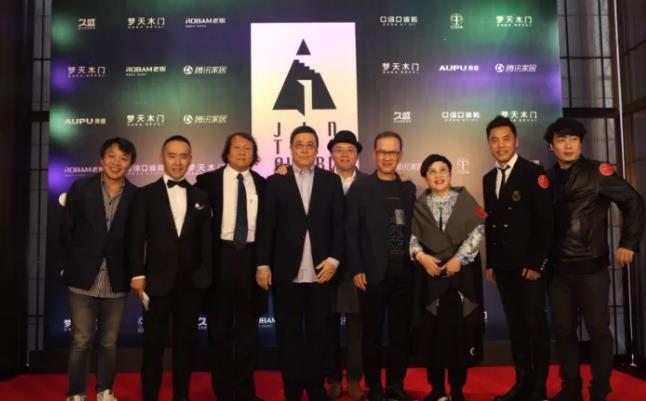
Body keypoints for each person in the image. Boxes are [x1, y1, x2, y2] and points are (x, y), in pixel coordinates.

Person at [544, 117, 645, 401]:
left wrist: (628, 243)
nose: (568, 145)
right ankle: (571, 389)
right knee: (564, 332)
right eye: (562, 140)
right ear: (552, 146)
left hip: (592, 269)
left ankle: (599, 390)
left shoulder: (598, 172)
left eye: (574, 139)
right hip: (558, 272)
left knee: (598, 331)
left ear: (581, 143)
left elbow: (633, 201)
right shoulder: (547, 179)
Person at [255, 125, 345, 401]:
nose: (304, 149)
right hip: (286, 274)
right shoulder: (275, 182)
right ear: (291, 148)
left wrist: (334, 259)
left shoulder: (331, 181)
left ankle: (316, 388)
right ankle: (292, 390)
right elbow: (266, 227)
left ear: (317, 149)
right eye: (299, 144)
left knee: (319, 335)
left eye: (310, 145)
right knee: (288, 336)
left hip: (322, 273)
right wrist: (263, 264)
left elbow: (339, 225)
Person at [128, 135, 212, 401]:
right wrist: (138, 274)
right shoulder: (145, 195)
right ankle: (149, 396)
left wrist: (204, 275)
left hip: (191, 284)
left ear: (190, 160)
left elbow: (206, 241)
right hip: (156, 282)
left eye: (183, 156)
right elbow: (136, 238)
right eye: (172, 155)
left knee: (185, 346)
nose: (177, 162)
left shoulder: (201, 196)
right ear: (162, 158)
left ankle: (182, 396)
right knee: (152, 345)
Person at [60, 137, 137, 401]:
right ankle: (76, 393)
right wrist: (73, 263)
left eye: (124, 158)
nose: (117, 162)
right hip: (82, 279)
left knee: (108, 343)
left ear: (130, 164)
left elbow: (137, 240)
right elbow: (66, 231)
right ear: (102, 158)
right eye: (112, 156)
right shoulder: (81, 189)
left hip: (117, 279)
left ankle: (105, 390)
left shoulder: (136, 196)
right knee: (81, 341)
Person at [482, 116, 553, 401]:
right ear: (489, 144)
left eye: (506, 139)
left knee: (535, 323)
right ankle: (522, 382)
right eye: (494, 140)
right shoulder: (488, 178)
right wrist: (491, 262)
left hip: (528, 267)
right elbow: (491, 223)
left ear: (516, 140)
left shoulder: (533, 173)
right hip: (503, 266)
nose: (500, 145)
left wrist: (537, 264)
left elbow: (546, 223)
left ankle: (539, 386)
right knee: (516, 325)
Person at [346, 131, 417, 401]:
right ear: (374, 155)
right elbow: (351, 232)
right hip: (372, 274)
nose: (388, 157)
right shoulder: (360, 188)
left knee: (401, 334)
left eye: (393, 152)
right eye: (382, 152)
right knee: (371, 335)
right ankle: (374, 386)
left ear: (400, 155)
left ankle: (396, 385)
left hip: (404, 273)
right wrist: (356, 268)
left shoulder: (408, 188)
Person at [195, 132, 266, 401]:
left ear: (254, 154)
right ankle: (223, 391)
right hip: (220, 259)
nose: (242, 152)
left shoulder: (264, 184)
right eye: (237, 147)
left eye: (248, 148)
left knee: (248, 332)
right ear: (227, 152)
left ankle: (246, 391)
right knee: (219, 329)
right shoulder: (206, 182)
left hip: (252, 260)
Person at [410, 154, 485, 401]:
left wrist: (459, 259)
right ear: (425, 177)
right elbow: (411, 237)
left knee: (458, 335)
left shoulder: (466, 201)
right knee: (433, 335)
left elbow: (477, 232)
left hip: (459, 279)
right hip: (430, 278)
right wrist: (422, 257)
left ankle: (457, 389)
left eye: (443, 170)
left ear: (450, 174)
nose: (438, 175)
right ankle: (437, 389)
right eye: (432, 171)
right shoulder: (418, 206)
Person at [324, 130, 367, 400]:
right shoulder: (320, 181)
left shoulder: (369, 183)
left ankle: (353, 378)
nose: (344, 154)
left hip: (358, 267)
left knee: (356, 328)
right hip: (325, 266)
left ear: (357, 155)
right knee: (327, 327)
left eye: (350, 150)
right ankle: (331, 378)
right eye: (338, 150)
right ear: (331, 154)